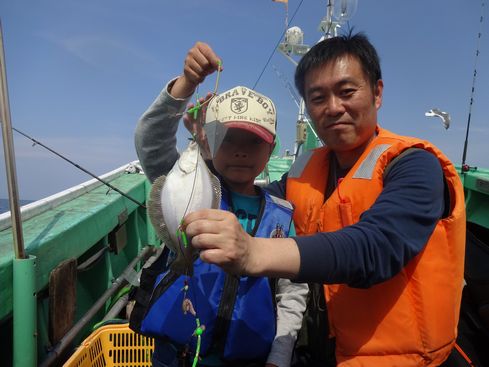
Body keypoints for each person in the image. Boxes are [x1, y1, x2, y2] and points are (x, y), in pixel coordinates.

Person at [181, 33, 466, 366]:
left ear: (377, 93)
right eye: (318, 98)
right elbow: (235, 195)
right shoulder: (302, 172)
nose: (333, 108)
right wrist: (202, 142)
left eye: (347, 92)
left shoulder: (415, 164)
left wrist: (253, 251)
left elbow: (376, 247)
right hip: (322, 350)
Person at [132, 42, 308, 367]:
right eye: (227, 139)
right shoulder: (190, 184)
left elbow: (290, 292)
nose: (240, 151)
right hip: (174, 358)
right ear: (209, 146)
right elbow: (151, 143)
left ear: (270, 151)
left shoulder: (281, 216)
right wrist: (186, 84)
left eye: (253, 142)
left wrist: (279, 357)